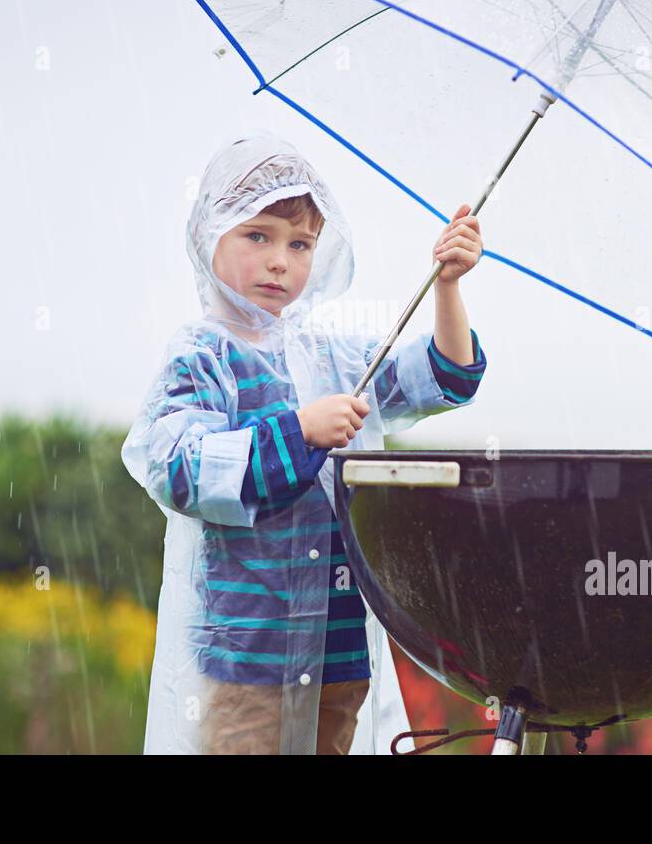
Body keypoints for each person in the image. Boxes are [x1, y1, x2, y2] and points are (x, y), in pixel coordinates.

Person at [121, 129, 487, 754]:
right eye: (256, 235)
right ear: (210, 237)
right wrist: (300, 431)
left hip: (338, 653)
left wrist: (448, 286)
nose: (279, 261)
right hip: (247, 655)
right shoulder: (203, 357)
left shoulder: (333, 356)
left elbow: (441, 378)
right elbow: (178, 468)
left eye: (300, 244)